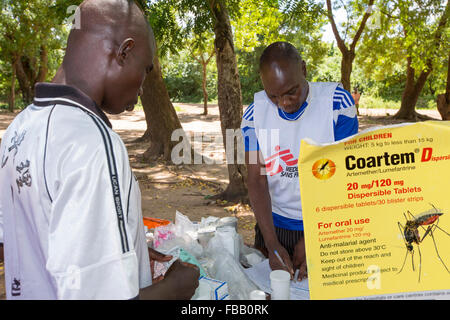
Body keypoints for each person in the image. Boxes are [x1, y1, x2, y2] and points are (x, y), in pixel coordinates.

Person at [0, 0, 199, 299]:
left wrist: (121, 246)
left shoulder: (21, 127)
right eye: (145, 69)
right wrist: (175, 289)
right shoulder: (92, 140)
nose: (142, 88)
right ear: (124, 52)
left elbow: (26, 237)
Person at [241, 42, 358, 281]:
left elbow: (345, 177)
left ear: (303, 70)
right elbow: (256, 180)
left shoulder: (337, 105)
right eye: (273, 96)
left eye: (291, 92)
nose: (284, 103)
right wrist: (272, 244)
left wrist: (316, 236)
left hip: (328, 222)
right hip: (274, 227)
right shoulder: (254, 116)